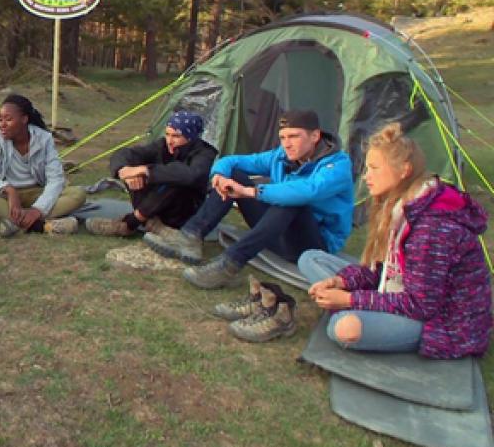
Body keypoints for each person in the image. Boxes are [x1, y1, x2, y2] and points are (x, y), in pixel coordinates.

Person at [299, 123, 491, 358]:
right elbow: (381, 271)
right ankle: (347, 307)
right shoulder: (400, 206)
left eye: (374, 168)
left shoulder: (432, 228)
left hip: (441, 323)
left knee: (343, 328)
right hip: (397, 290)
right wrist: (340, 281)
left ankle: (348, 312)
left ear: (404, 170)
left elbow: (421, 305)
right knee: (310, 258)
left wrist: (349, 299)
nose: (366, 177)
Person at [145, 109, 354, 289]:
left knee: (292, 202)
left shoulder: (337, 165)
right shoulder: (281, 155)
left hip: (311, 245)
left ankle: (229, 265)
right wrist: (218, 175)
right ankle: (191, 236)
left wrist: (251, 192)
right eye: (283, 137)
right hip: (275, 232)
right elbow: (233, 160)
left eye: (294, 136)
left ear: (315, 136)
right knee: (233, 174)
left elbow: (307, 191)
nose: (287, 144)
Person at [0, 95, 86, 237]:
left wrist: (38, 209)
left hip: (36, 193)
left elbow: (55, 179)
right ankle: (40, 225)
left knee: (78, 194)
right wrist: (8, 189)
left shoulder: (44, 139)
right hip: (5, 197)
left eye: (8, 119)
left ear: (24, 119)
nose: (2, 124)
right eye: (0, 120)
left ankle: (13, 221)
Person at [86, 110, 217, 237]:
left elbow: (191, 176)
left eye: (176, 136)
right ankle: (152, 222)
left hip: (184, 211)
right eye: (167, 134)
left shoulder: (205, 153)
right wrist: (123, 169)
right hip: (156, 206)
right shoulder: (162, 146)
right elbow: (127, 153)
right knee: (134, 173)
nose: (170, 140)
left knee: (173, 177)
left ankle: (130, 224)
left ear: (190, 137)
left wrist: (146, 170)